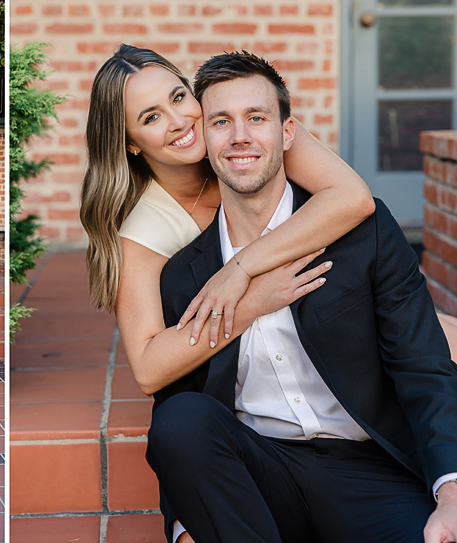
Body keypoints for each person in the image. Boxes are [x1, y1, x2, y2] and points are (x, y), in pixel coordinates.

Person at [148, 50, 457, 543]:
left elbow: (423, 364)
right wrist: (187, 527)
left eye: (257, 117)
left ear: (287, 133)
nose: (240, 136)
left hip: (369, 469)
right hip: (261, 472)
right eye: (221, 121)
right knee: (180, 419)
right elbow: (177, 415)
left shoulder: (365, 234)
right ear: (204, 140)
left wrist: (452, 492)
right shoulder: (185, 276)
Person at [80, 44, 375, 401]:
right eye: (151, 118)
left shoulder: (248, 134)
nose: (178, 122)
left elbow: (354, 198)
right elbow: (147, 367)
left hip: (340, 314)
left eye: (177, 98)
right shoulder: (144, 232)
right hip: (251, 373)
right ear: (131, 143)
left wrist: (240, 267)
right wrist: (252, 301)